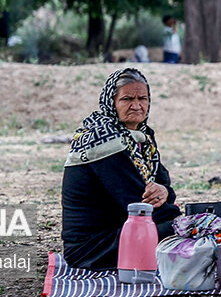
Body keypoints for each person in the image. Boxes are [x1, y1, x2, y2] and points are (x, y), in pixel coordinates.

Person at [61, 68, 180, 269]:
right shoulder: (103, 140)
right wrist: (180, 220)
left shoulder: (140, 138)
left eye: (142, 98)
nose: (136, 105)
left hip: (123, 231)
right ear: (111, 103)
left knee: (187, 229)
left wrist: (165, 191)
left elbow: (163, 183)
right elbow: (139, 204)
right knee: (187, 230)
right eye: (127, 99)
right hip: (92, 248)